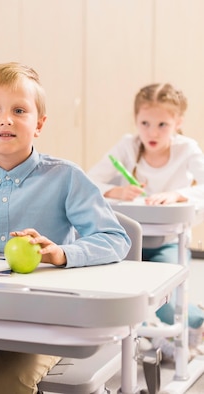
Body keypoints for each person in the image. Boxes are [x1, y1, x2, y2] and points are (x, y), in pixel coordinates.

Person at [0, 62, 131, 394]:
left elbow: (115, 238)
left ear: (39, 124)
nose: (5, 119)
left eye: (19, 110)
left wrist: (60, 253)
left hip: (48, 313)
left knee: (9, 381)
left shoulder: (66, 177)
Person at [87, 82, 204, 360]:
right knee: (127, 300)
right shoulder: (128, 146)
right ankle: (154, 333)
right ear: (136, 120)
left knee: (166, 305)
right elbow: (89, 180)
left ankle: (193, 322)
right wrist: (116, 190)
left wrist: (177, 194)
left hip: (168, 244)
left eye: (163, 124)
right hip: (128, 244)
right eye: (145, 123)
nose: (152, 132)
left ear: (178, 122)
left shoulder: (186, 149)